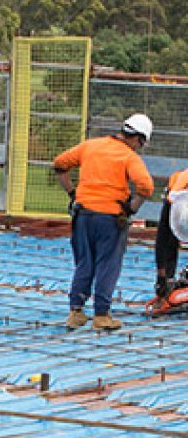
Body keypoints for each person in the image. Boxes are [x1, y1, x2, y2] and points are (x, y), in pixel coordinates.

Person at [53, 113, 155, 331]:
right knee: (107, 264)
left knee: (84, 262)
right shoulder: (129, 157)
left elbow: (60, 164)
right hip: (109, 218)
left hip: (82, 215)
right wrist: (131, 208)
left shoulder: (91, 146)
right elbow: (146, 187)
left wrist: (72, 193)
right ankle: (101, 316)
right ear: (138, 138)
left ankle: (75, 312)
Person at [154, 168, 188, 297]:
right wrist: (162, 276)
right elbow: (162, 241)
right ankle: (167, 278)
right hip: (177, 197)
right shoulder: (174, 197)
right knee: (168, 241)